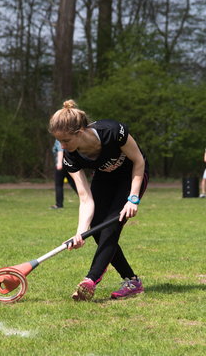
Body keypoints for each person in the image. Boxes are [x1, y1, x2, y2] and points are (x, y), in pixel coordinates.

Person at [49, 99, 149, 301]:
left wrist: (133, 198)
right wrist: (80, 231)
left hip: (131, 177)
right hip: (104, 178)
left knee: (111, 226)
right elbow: (85, 198)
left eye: (66, 141)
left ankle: (90, 280)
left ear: (80, 132)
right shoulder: (71, 157)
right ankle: (131, 281)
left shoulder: (114, 131)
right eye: (59, 141)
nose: (62, 146)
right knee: (95, 226)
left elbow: (139, 160)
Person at [51, 139, 77, 209]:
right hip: (68, 164)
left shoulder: (59, 139)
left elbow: (60, 151)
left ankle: (59, 204)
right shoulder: (67, 138)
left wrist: (59, 163)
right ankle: (88, 198)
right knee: (74, 184)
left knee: (59, 185)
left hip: (61, 164)